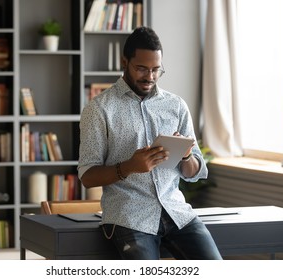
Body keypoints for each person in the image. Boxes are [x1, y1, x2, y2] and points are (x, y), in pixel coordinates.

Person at [78, 27, 222, 260]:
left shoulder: (176, 106)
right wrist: (128, 167)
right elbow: (87, 176)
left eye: (156, 70)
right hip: (129, 218)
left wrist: (186, 156)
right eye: (142, 69)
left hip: (177, 213)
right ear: (124, 62)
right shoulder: (99, 109)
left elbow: (194, 171)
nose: (150, 77)